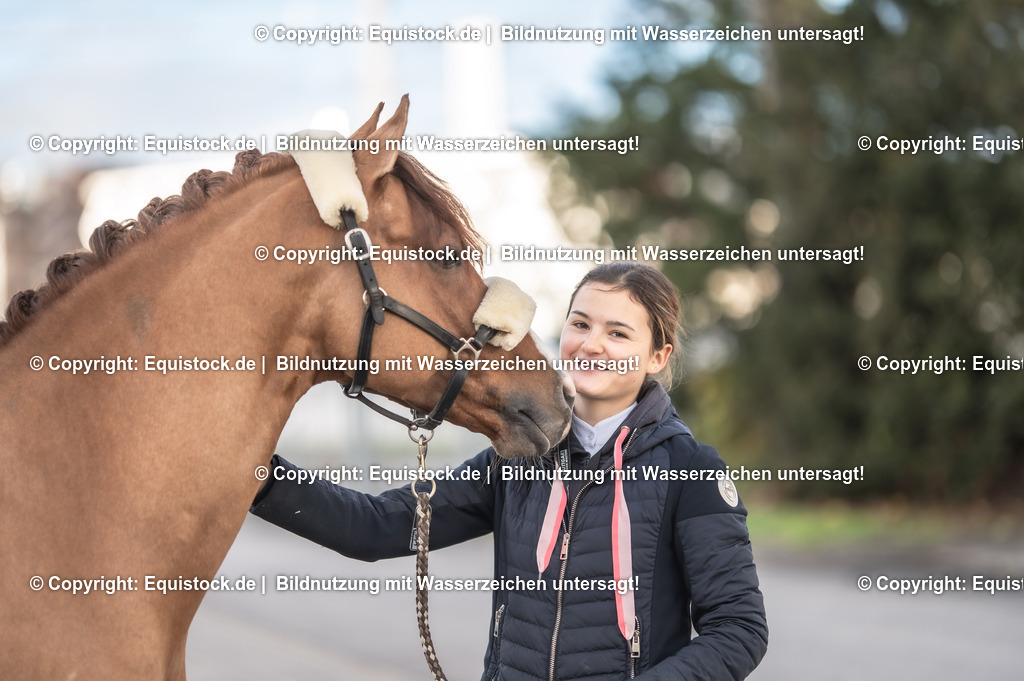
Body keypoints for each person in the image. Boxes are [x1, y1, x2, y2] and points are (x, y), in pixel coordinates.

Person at [251, 262, 768, 680]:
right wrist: (250, 473)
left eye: (618, 333)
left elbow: (738, 629)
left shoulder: (689, 469)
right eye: (581, 323)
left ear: (657, 356)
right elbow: (375, 526)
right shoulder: (517, 458)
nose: (591, 344)